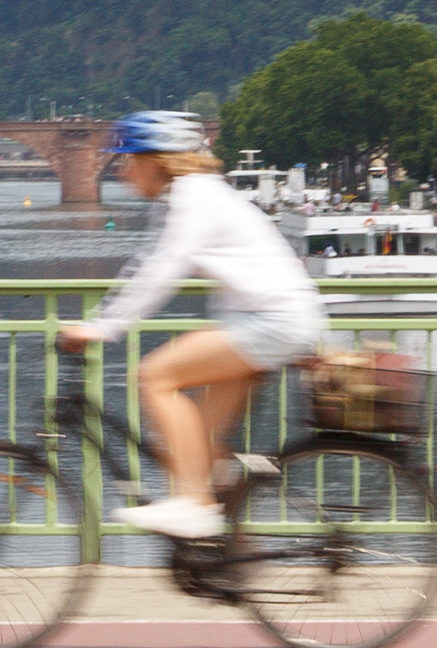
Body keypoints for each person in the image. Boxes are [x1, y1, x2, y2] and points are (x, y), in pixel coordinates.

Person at [55, 110, 327, 541]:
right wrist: (105, 320)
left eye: (128, 160)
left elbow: (163, 268)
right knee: (199, 441)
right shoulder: (194, 195)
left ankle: (193, 505)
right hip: (272, 321)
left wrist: (104, 328)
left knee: (156, 377)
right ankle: (230, 547)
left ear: (155, 160)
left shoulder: (193, 196)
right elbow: (147, 263)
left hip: (273, 322)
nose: (123, 172)